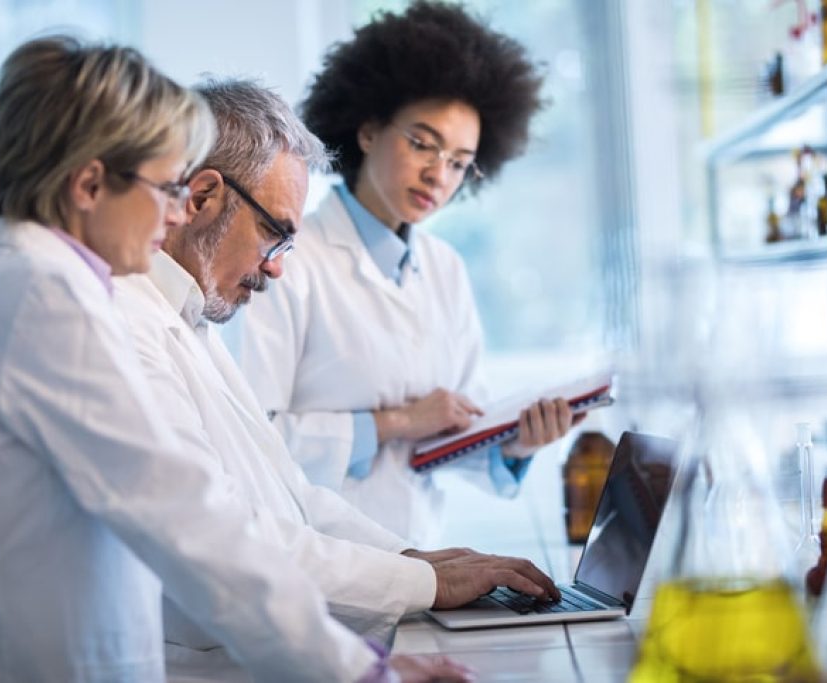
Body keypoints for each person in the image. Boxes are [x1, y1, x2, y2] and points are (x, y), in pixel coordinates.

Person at [0, 36, 472, 683]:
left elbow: (267, 501)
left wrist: (405, 593)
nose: (179, 210)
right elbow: (191, 522)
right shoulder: (44, 300)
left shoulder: (24, 287)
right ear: (90, 183)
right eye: (166, 186)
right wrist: (364, 670)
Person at [111, 78, 560, 656]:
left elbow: (290, 495)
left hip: (334, 596)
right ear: (200, 198)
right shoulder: (137, 318)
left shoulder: (191, 315)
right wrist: (419, 578)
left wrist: (413, 562)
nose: (276, 270)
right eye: (273, 233)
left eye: (458, 162)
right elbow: (216, 535)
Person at [230, 1, 577, 546]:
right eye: (422, 143)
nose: (439, 175)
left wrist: (516, 444)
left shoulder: (445, 269)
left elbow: (451, 435)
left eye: (460, 162)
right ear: (368, 130)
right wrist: (394, 423)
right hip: (317, 570)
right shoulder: (285, 260)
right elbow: (248, 440)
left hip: (421, 565)